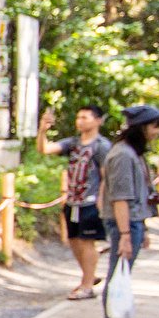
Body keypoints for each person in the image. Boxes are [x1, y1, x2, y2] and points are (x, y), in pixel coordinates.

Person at [99, 104, 159, 318]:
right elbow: (120, 198)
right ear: (143, 127)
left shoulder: (132, 154)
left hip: (134, 221)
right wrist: (126, 234)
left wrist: (142, 229)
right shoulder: (122, 156)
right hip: (123, 223)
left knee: (123, 275)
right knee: (117, 275)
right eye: (154, 127)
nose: (156, 132)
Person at [37, 105, 111, 300]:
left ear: (98, 121)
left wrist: (102, 201)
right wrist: (43, 130)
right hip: (73, 199)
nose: (80, 121)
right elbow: (45, 149)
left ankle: (87, 286)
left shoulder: (102, 146)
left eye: (85, 117)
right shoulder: (74, 143)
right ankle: (88, 276)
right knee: (74, 240)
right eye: (78, 117)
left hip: (90, 200)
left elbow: (106, 175)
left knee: (87, 242)